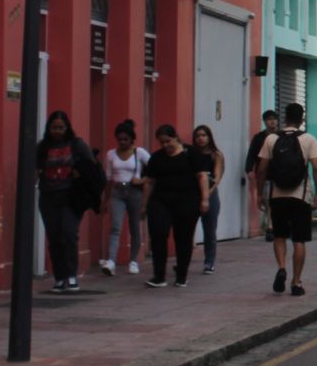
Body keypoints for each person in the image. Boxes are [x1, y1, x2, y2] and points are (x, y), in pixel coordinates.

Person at [257, 103, 317, 296]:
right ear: (302, 119)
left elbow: (261, 169)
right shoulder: (308, 139)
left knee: (279, 236)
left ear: (284, 118)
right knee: (299, 240)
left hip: (277, 196)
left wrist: (260, 193)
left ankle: (281, 268)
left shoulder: (271, 138)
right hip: (300, 196)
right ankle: (296, 282)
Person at [37, 111, 100, 293]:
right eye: (54, 128)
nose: (57, 131)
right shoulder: (42, 147)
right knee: (54, 237)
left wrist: (80, 173)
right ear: (48, 128)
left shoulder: (77, 144)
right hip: (48, 196)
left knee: (69, 234)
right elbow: (34, 167)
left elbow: (92, 167)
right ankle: (59, 277)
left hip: (71, 196)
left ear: (67, 128)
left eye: (61, 128)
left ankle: (71, 275)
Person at [140, 124, 210, 288]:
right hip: (161, 200)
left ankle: (181, 275)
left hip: (187, 201)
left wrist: (204, 199)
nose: (165, 146)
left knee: (183, 237)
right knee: (158, 233)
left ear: (176, 138)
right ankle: (159, 275)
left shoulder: (191, 153)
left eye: (168, 141)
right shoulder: (157, 158)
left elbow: (201, 176)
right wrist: (144, 205)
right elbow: (149, 182)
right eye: (161, 142)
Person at [101, 119, 149, 276]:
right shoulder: (110, 154)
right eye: (119, 139)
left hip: (134, 191)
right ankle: (111, 261)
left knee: (135, 226)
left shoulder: (139, 153)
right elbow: (108, 178)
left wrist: (142, 180)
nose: (122, 142)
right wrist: (105, 200)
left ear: (132, 139)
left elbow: (155, 168)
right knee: (115, 226)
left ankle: (133, 261)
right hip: (117, 191)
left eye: (125, 139)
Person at [192, 125, 226, 274]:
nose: (201, 138)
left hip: (211, 195)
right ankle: (184, 260)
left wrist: (208, 192)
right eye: (198, 136)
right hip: (192, 194)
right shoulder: (191, 153)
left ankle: (209, 262)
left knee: (209, 231)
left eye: (204, 135)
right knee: (186, 230)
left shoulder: (216, 155)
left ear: (209, 137)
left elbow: (217, 177)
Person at [246, 110, 279, 242]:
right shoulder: (259, 138)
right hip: (264, 173)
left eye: (274, 119)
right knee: (267, 200)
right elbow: (252, 154)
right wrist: (249, 169)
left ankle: (272, 226)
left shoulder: (281, 136)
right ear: (264, 122)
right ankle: (270, 227)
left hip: (279, 174)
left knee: (274, 201)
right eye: (269, 119)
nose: (272, 121)